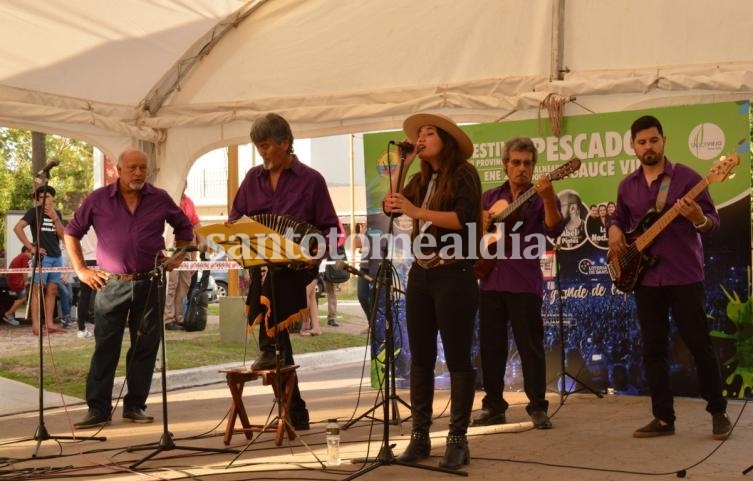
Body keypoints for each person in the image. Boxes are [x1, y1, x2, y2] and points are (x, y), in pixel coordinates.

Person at [607, 114, 731, 440]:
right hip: (646, 280)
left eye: (654, 140)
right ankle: (663, 418)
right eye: (641, 142)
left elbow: (713, 224)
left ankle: (718, 412)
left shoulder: (690, 178)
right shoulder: (627, 186)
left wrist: (697, 217)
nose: (648, 146)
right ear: (633, 146)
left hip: (684, 275)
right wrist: (615, 231)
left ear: (664, 141)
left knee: (699, 345)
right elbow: (618, 218)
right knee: (653, 349)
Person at [64, 148, 194, 429]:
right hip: (111, 284)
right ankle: (97, 409)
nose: (138, 173)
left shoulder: (158, 198)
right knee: (105, 347)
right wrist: (81, 270)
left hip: (150, 283)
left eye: (142, 168)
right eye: (132, 168)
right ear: (118, 170)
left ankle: (135, 406)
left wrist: (178, 256)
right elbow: (71, 232)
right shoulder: (98, 199)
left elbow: (185, 227)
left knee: (145, 348)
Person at [229, 113, 339, 431]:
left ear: (285, 144)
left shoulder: (312, 180)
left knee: (272, 286)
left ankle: (269, 349)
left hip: (296, 268)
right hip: (264, 267)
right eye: (258, 147)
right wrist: (236, 234)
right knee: (269, 295)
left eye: (266, 146)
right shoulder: (252, 179)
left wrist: (316, 254)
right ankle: (294, 407)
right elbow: (236, 218)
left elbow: (331, 228)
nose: (262, 153)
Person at [383, 112, 480, 470]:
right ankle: (419, 437)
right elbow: (391, 206)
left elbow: (464, 219)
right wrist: (404, 165)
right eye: (418, 134)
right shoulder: (422, 176)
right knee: (420, 359)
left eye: (428, 134)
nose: (420, 139)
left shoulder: (463, 173)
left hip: (455, 273)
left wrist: (416, 209)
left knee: (457, 358)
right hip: (421, 275)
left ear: (446, 141)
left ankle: (457, 439)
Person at [472, 136, 563, 430]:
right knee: (491, 348)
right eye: (516, 162)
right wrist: (482, 220)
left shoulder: (539, 197)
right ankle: (494, 406)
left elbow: (554, 228)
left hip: (524, 282)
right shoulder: (489, 197)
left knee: (530, 349)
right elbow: (472, 232)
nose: (521, 168)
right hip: (490, 281)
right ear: (505, 165)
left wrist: (549, 198)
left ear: (534, 166)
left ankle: (537, 406)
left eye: (527, 163)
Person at [13, 185, 65, 335]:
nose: (44, 200)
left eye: (47, 197)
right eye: (41, 198)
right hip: (43, 257)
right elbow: (17, 228)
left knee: (53, 290)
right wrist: (30, 247)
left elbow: (63, 235)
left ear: (53, 198)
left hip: (57, 256)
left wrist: (55, 217)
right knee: (37, 291)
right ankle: (36, 326)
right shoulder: (34, 212)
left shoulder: (58, 214)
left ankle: (49, 324)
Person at [164, 187, 202, 331]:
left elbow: (196, 223)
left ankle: (179, 317)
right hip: (172, 248)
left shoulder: (188, 202)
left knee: (185, 283)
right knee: (172, 283)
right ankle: (168, 318)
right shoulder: (170, 200)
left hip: (188, 248)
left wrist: (201, 244)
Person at [75, 227, 98, 338]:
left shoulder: (80, 221)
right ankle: (98, 328)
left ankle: (81, 328)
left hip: (84, 260)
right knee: (100, 295)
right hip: (98, 259)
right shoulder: (100, 217)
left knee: (84, 296)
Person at [3, 246, 31, 326]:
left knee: (23, 297)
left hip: (14, 280)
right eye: (32, 252)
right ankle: (8, 314)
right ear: (26, 251)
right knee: (23, 298)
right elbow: (24, 271)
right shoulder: (25, 256)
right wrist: (26, 281)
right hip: (17, 281)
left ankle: (10, 314)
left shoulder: (20, 256)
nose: (33, 255)